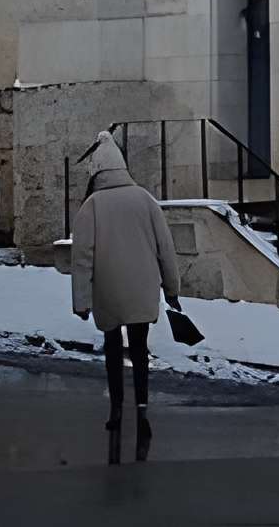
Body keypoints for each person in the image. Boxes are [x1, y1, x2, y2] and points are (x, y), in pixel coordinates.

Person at [68, 130, 180, 459]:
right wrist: (172, 290)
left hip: (108, 291)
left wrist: (81, 301)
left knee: (114, 351)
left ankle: (116, 410)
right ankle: (142, 410)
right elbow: (166, 250)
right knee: (141, 349)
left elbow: (82, 257)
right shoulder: (146, 200)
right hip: (143, 289)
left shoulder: (92, 206)